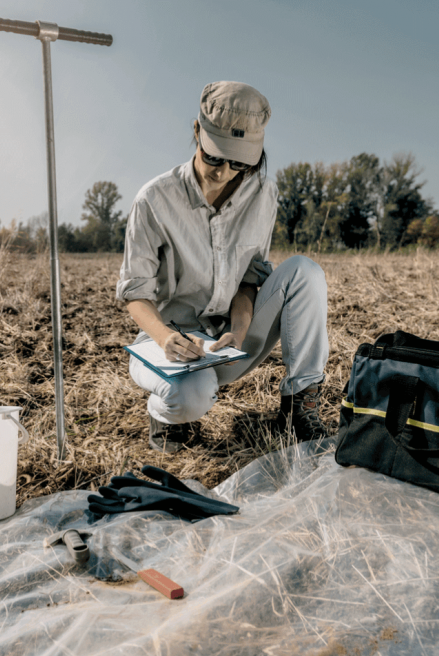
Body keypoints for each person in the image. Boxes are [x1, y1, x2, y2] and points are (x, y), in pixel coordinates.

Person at [116, 81, 331, 452]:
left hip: (229, 341)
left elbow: (249, 281)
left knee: (304, 272)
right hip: (171, 345)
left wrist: (239, 330)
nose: (223, 172)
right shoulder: (154, 200)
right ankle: (167, 413)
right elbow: (135, 294)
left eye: (239, 163)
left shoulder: (263, 194)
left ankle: (300, 404)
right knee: (190, 400)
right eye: (214, 157)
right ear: (197, 131)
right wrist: (167, 339)